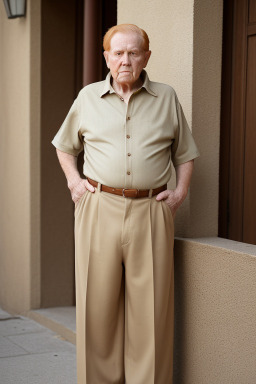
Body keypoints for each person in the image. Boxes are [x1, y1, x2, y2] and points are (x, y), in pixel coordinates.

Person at [52, 24, 199, 384]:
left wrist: (179, 193)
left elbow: (186, 154)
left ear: (147, 56)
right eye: (118, 53)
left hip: (152, 211)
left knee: (150, 313)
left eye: (134, 52)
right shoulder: (87, 98)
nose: (125, 60)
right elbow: (63, 145)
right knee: (96, 308)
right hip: (98, 207)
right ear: (107, 58)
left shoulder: (166, 97)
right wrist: (74, 182)